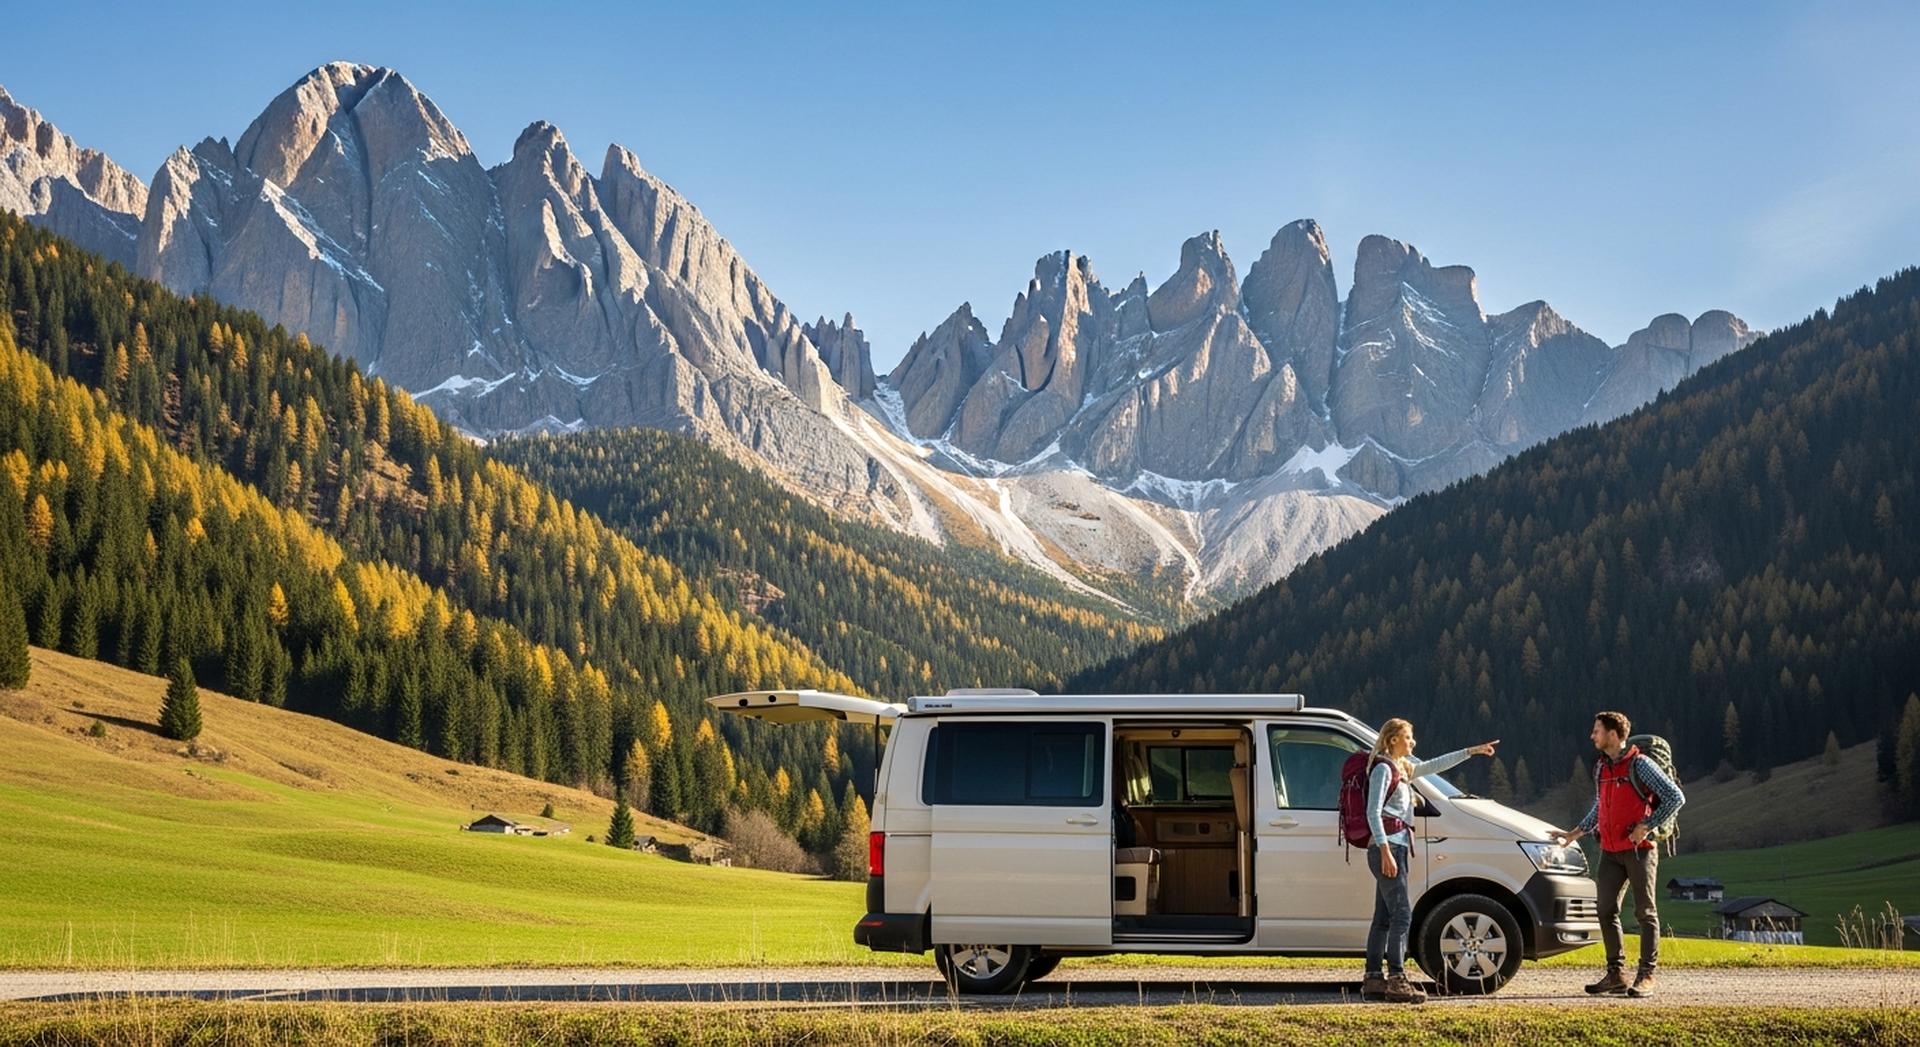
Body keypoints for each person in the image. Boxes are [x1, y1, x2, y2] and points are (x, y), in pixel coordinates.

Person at [1362, 718, 1500, 1004]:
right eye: (1408, 737)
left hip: (1395, 847)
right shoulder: (1382, 769)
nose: (1413, 743)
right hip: (1388, 848)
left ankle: (1374, 979)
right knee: (1402, 915)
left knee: (1384, 917)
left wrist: (1470, 752)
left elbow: (1434, 765)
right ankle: (1397, 979)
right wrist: (1386, 850)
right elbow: (1372, 812)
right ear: (1392, 740)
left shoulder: (1402, 769)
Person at [1548, 711, 1684, 998]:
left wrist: (1647, 826)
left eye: (1596, 731)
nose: (1592, 736)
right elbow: (1600, 808)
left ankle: (1646, 975)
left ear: (1612, 734)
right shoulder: (1601, 768)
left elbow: (1675, 797)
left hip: (1639, 851)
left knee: (1645, 913)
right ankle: (1616, 975)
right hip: (1609, 852)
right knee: (1605, 909)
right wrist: (1573, 834)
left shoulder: (1641, 765)